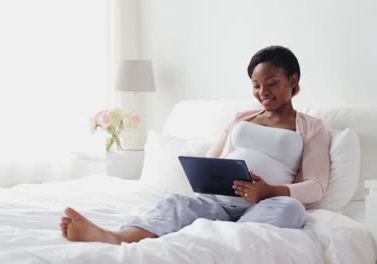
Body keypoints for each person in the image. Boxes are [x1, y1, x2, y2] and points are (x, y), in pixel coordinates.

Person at [59, 45, 331, 244]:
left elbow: (316, 186)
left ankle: (214, 243)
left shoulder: (311, 127)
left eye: (271, 83)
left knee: (292, 210)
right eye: (256, 86)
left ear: (293, 80)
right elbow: (211, 159)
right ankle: (115, 237)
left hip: (266, 206)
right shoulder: (241, 119)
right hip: (218, 202)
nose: (263, 93)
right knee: (176, 202)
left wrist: (269, 190)